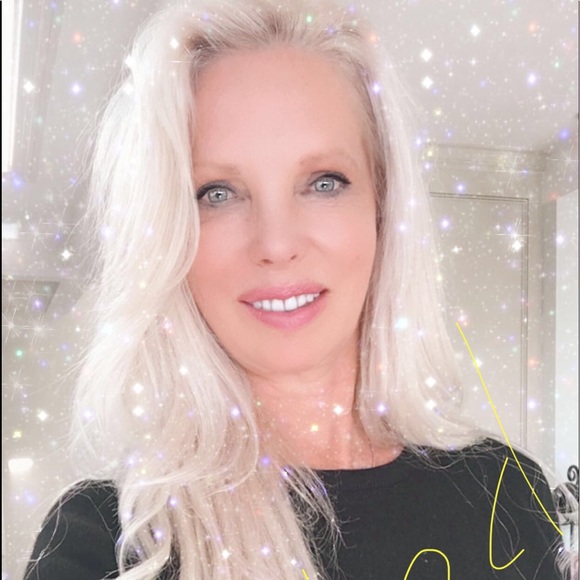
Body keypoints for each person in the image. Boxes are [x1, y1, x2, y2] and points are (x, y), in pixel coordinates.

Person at [24, 0, 570, 578]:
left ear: (382, 208)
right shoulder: (108, 540)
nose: (277, 243)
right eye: (217, 193)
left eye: (323, 183)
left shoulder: (507, 496)